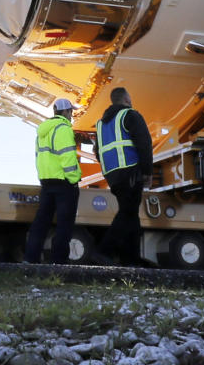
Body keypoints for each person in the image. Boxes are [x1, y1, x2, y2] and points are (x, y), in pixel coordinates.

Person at [95, 87, 153, 265]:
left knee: (131, 214)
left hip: (113, 175)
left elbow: (97, 151)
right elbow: (144, 144)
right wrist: (147, 172)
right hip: (130, 172)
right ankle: (104, 251)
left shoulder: (101, 124)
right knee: (127, 212)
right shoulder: (131, 115)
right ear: (127, 99)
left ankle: (131, 258)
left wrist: (108, 170)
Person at [24, 98, 82, 264]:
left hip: (47, 183)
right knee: (64, 225)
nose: (71, 114)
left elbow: (39, 158)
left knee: (41, 223)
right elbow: (68, 158)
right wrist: (74, 179)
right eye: (71, 111)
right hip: (64, 184)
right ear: (65, 112)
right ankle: (58, 262)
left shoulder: (42, 132)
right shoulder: (63, 129)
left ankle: (30, 259)